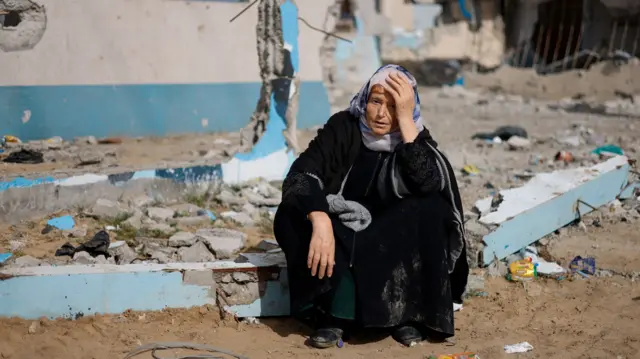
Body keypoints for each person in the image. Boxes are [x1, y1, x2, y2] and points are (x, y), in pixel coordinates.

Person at [273, 64, 469, 348]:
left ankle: (406, 316)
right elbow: (300, 175)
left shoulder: (413, 138)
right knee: (290, 215)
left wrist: (406, 122)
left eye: (393, 106)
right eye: (376, 101)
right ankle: (333, 316)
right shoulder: (343, 128)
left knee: (432, 209)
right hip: (341, 230)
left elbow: (429, 183)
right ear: (365, 99)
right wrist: (320, 219)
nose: (381, 114)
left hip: (387, 239)